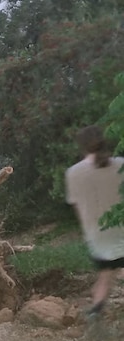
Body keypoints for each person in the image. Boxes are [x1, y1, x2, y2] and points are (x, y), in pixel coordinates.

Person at [65, 125, 124, 320]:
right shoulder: (120, 165)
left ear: (82, 146)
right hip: (121, 229)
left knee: (106, 275)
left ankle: (96, 313)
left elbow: (77, 207)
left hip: (97, 235)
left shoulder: (73, 173)